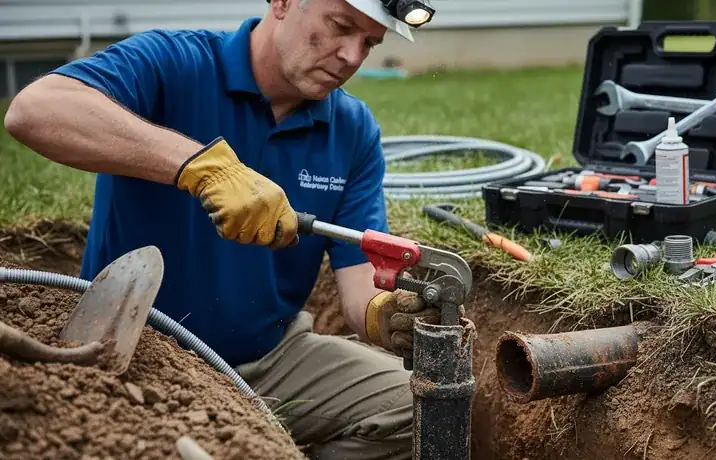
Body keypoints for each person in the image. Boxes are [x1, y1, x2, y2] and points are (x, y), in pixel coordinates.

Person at [3, 0, 462, 458]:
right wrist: (199, 167)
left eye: (369, 42)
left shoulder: (352, 129)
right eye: (341, 26)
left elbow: (359, 280)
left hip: (272, 359)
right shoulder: (175, 64)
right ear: (282, 2)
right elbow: (36, 110)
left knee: (415, 405)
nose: (353, 56)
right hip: (130, 351)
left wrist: (384, 315)